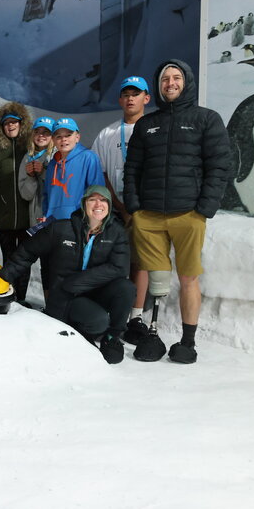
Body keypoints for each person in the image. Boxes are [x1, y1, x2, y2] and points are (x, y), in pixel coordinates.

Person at [123, 60, 230, 363]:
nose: (170, 83)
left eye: (176, 78)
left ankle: (188, 341)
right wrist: (135, 207)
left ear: (187, 82)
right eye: (165, 79)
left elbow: (219, 166)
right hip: (150, 216)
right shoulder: (147, 124)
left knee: (188, 278)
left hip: (188, 215)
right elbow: (132, 169)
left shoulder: (206, 119)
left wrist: (204, 209)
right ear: (158, 86)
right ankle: (152, 333)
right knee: (157, 278)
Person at [0, 186, 134, 364]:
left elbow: (120, 268)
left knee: (126, 288)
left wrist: (79, 281)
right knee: (99, 321)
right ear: (84, 203)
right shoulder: (61, 229)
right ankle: (77, 331)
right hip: (64, 294)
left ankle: (112, 338)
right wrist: (0, 280)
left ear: (109, 206)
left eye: (103, 200)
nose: (98, 204)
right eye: (92, 199)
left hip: (87, 290)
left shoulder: (116, 232)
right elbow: (27, 252)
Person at [92, 76, 152, 340]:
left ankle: (136, 315)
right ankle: (113, 310)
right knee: (113, 261)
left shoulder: (154, 129)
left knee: (140, 260)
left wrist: (138, 208)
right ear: (120, 99)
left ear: (146, 98)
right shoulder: (108, 134)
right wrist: (119, 206)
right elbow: (101, 172)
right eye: (126, 94)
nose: (130, 98)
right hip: (115, 210)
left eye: (136, 94)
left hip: (146, 210)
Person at [0, 103, 32, 299]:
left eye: (14, 122)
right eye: (6, 123)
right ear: (0, 127)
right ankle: (11, 296)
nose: (10, 126)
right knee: (10, 259)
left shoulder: (29, 147)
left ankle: (22, 297)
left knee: (25, 260)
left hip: (28, 217)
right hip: (5, 217)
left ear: (22, 124)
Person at [43, 117, 105, 221]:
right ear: (53, 140)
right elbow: (46, 195)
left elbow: (98, 192)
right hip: (53, 224)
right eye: (59, 136)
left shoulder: (88, 157)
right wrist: (45, 214)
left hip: (79, 222)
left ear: (77, 137)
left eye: (68, 135)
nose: (64, 139)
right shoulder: (52, 165)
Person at [18, 117, 56, 225]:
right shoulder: (27, 157)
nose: (41, 136)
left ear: (53, 135)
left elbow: (61, 189)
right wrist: (31, 177)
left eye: (46, 132)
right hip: (35, 219)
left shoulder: (59, 155)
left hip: (55, 216)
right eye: (37, 132)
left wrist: (43, 173)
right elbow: (26, 195)